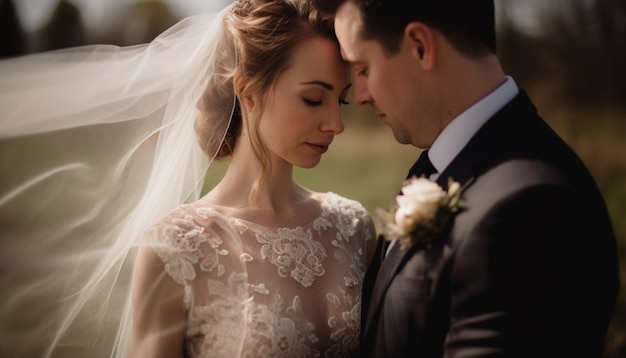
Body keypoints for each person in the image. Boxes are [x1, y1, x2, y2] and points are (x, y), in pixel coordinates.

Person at [0, 0, 375, 357]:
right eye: (313, 99)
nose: (337, 124)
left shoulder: (353, 227)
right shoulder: (176, 248)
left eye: (340, 100)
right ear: (247, 91)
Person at [313, 0, 620, 357]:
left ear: (420, 47)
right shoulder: (446, 166)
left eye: (363, 68)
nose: (361, 95)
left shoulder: (533, 208)